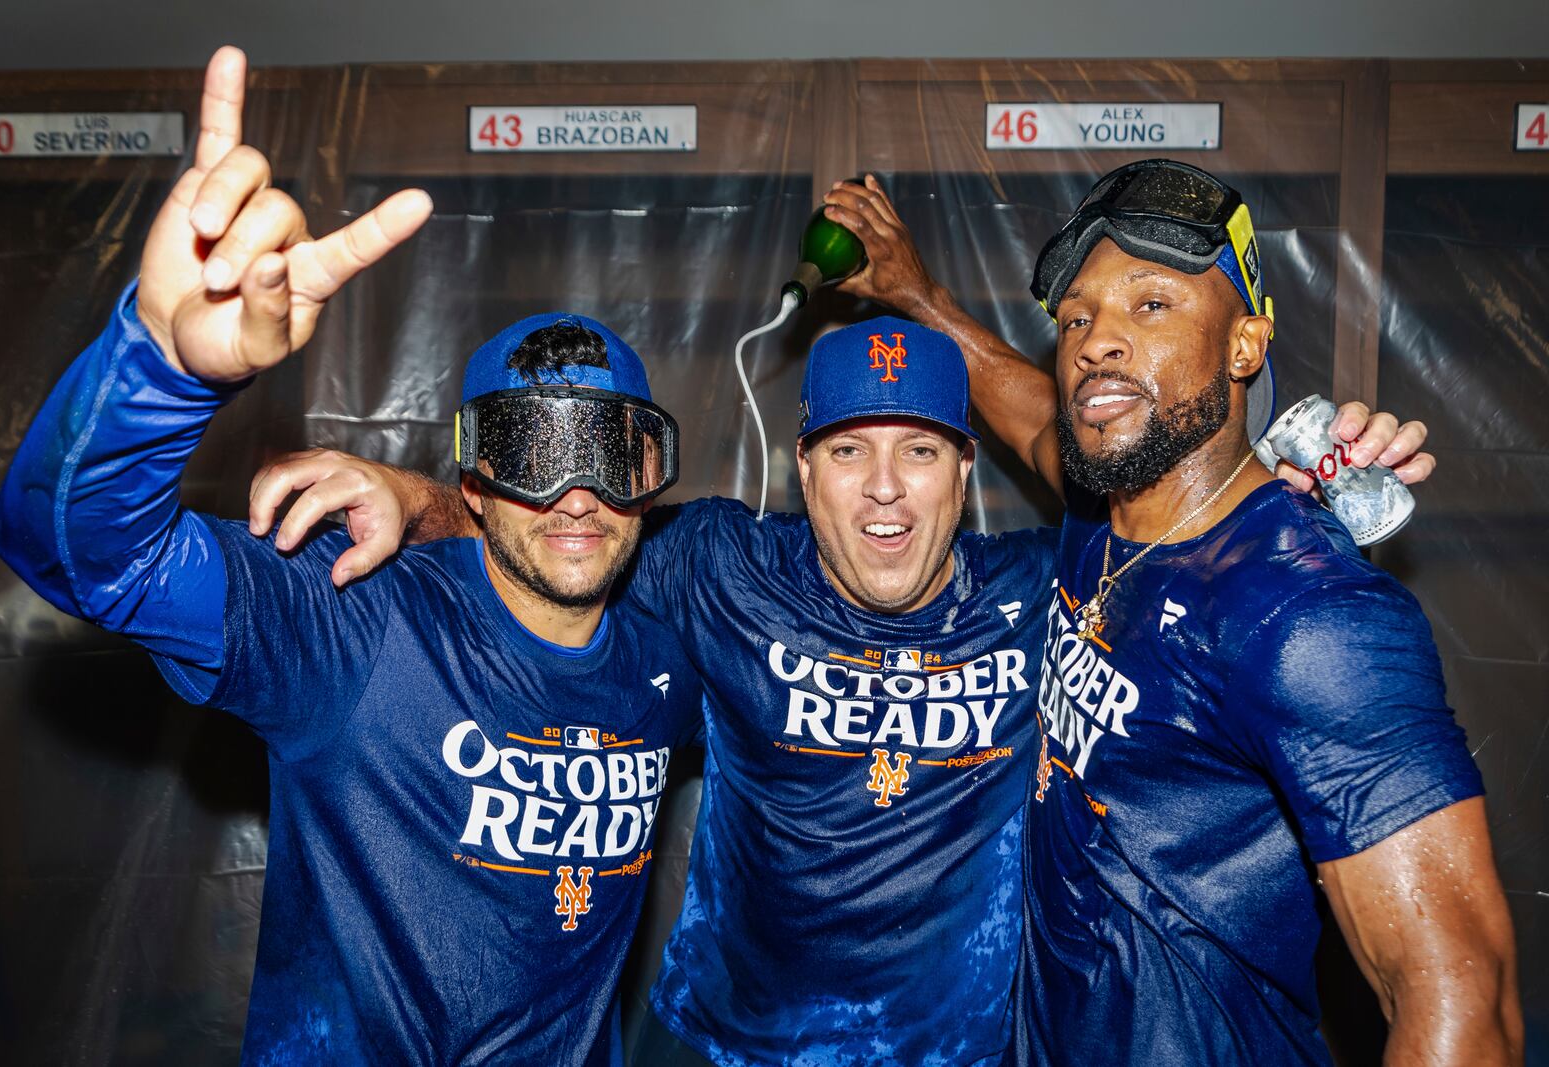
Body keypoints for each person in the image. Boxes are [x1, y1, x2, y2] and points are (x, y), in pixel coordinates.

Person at [263, 196, 1436, 1064]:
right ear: (803, 472)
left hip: (971, 1050)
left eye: (919, 450)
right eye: (850, 452)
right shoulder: (720, 562)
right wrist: (413, 494)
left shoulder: (1048, 587)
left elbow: (1126, 470)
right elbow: (561, 519)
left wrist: (1286, 489)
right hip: (728, 1045)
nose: (885, 490)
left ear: (966, 473)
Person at [0, 46, 705, 1065]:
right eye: (530, 454)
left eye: (606, 453)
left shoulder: (666, 669)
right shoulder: (356, 624)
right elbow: (80, 552)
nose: (576, 494)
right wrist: (159, 363)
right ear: (472, 475)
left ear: (652, 471)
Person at [1010, 159, 1518, 1063]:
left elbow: (1461, 1000)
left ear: (1246, 345)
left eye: (1152, 304)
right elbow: (1016, 409)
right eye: (1077, 317)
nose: (1096, 341)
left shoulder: (1309, 613)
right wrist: (912, 289)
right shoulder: (1099, 513)